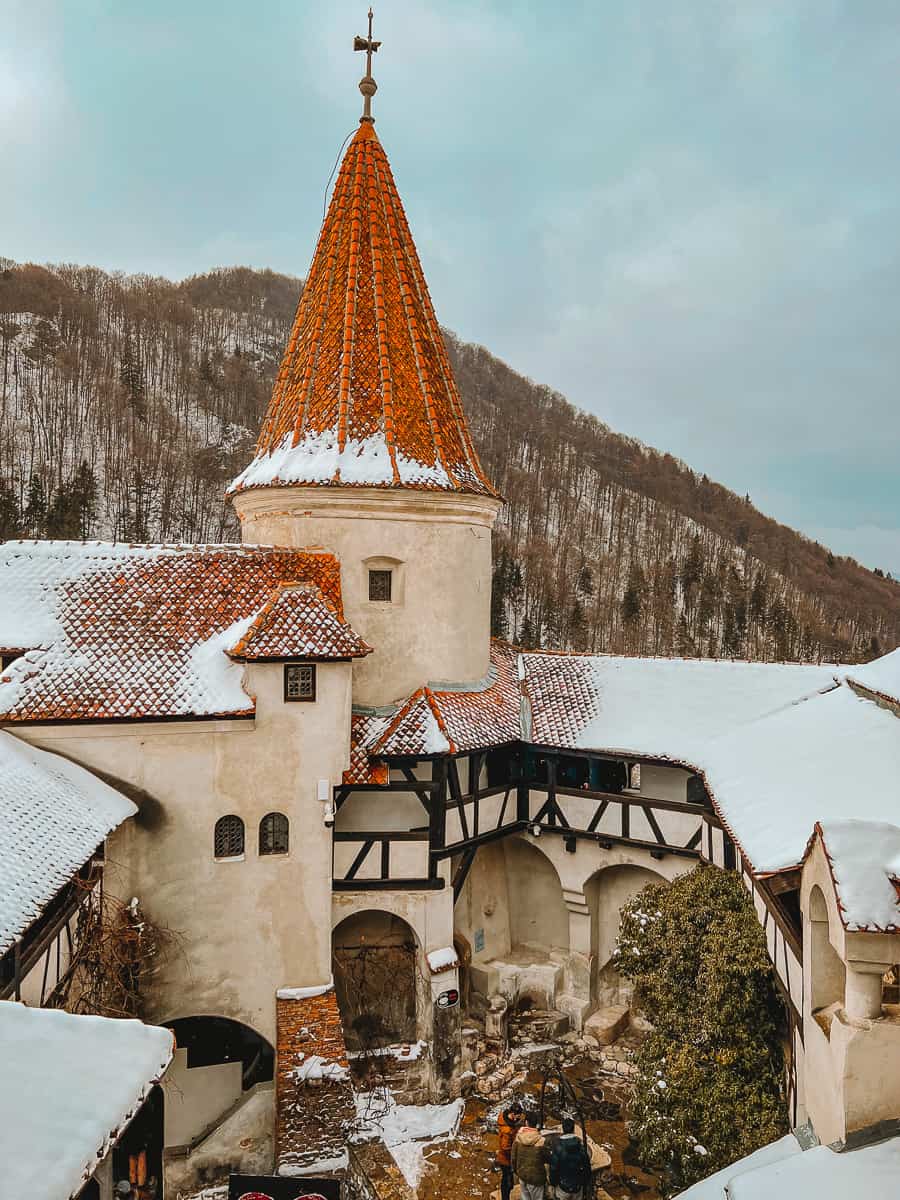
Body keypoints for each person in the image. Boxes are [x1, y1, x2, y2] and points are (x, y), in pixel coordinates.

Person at [548, 1117, 592, 1200]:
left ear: (563, 1130)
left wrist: (553, 1184)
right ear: (573, 1129)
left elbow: (553, 1169)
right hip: (577, 1187)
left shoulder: (557, 1148)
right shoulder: (581, 1148)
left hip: (562, 1187)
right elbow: (587, 1168)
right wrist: (584, 1184)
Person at [511, 1109, 547, 1200]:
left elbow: (513, 1158)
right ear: (536, 1124)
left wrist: (516, 1171)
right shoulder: (541, 1141)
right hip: (536, 1179)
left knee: (525, 1197)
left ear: (526, 1122)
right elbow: (547, 1158)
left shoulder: (518, 1138)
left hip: (522, 1175)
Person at [496, 1100, 525, 1200]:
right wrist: (515, 1151)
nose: (519, 1118)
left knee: (508, 1179)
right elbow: (505, 1147)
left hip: (505, 1158)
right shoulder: (507, 1131)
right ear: (512, 1114)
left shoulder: (506, 1122)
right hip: (506, 1160)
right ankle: (505, 1198)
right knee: (506, 1181)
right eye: (518, 1116)